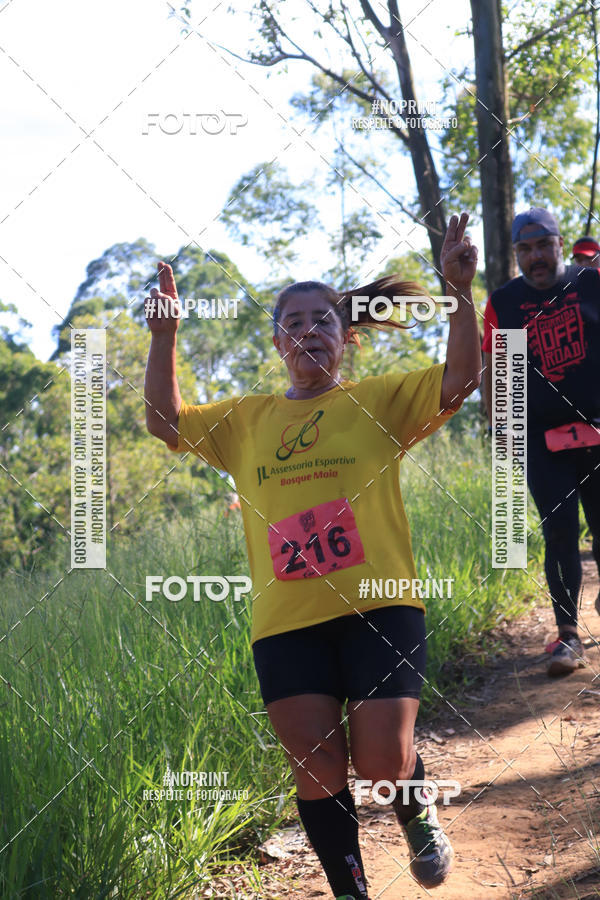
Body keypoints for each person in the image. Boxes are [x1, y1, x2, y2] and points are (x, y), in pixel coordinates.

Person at [145, 213, 481, 899]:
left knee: (384, 759)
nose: (309, 333)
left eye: (322, 321)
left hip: (381, 606)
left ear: (346, 337)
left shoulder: (379, 401)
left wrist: (459, 292)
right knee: (316, 764)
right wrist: (164, 336)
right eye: (293, 323)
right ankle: (351, 892)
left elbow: (462, 378)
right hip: (286, 621)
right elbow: (163, 422)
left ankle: (413, 808)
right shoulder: (246, 420)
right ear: (276, 342)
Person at [482, 208, 600, 678]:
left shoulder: (591, 285)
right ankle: (567, 635)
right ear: (516, 254)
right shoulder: (504, 304)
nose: (535, 257)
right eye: (524, 250)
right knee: (560, 532)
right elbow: (497, 373)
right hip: (540, 440)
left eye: (542, 246)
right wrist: (502, 429)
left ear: (559, 243)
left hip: (597, 428)